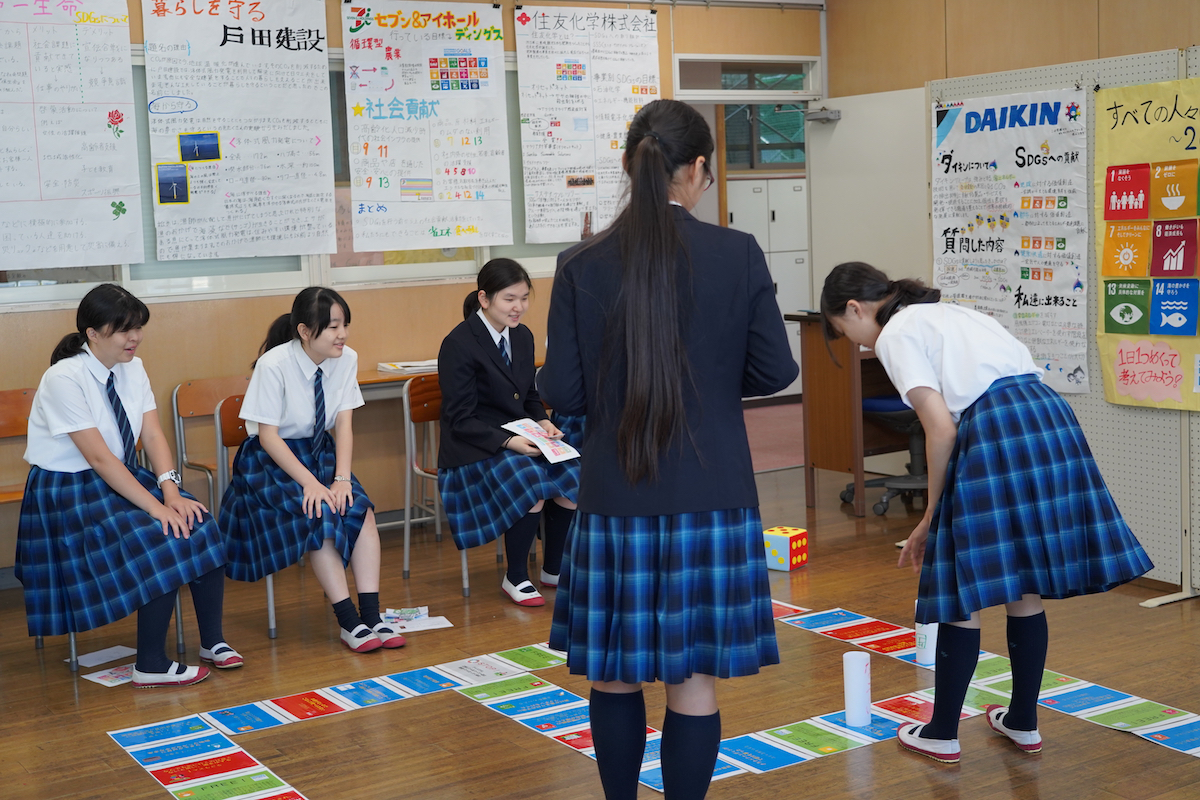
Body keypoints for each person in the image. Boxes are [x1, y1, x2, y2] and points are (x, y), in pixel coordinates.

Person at [539, 99, 798, 800]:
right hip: (712, 496)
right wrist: (712, 381)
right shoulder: (736, 252)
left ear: (630, 165)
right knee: (693, 683)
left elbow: (562, 387)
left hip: (614, 498)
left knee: (614, 675)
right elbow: (777, 371)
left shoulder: (580, 262)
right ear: (699, 170)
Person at [819, 261, 1153, 764]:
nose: (860, 344)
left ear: (855, 308)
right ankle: (1022, 721)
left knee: (959, 583)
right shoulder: (948, 313)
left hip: (994, 426)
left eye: (848, 332)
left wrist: (932, 512)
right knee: (1022, 581)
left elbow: (941, 428)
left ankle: (942, 732)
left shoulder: (897, 332)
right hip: (1047, 417)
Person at [16, 284, 238, 688]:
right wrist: (157, 509)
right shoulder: (63, 378)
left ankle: (213, 642)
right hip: (69, 490)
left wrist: (171, 491)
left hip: (123, 475)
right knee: (162, 535)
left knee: (199, 519)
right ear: (93, 334)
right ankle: (150, 663)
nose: (134, 337)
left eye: (137, 327)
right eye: (123, 330)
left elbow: (152, 435)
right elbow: (98, 458)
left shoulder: (133, 367)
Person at [220, 287, 404, 653]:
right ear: (305, 331)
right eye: (332, 326)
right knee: (318, 513)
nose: (342, 335)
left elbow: (345, 425)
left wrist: (341, 479)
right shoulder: (274, 365)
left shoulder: (346, 358)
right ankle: (349, 622)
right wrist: (310, 484)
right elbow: (269, 438)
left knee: (360, 510)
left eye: (345, 325)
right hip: (271, 460)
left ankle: (373, 616)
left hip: (321, 452)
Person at [437, 258, 579, 607]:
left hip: (522, 436)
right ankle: (515, 576)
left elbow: (530, 397)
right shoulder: (459, 343)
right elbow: (459, 418)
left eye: (524, 298)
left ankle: (553, 568)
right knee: (530, 484)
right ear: (484, 299)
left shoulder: (524, 336)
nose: (518, 307)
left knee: (574, 475)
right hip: (474, 445)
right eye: (509, 299)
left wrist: (543, 421)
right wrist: (510, 441)